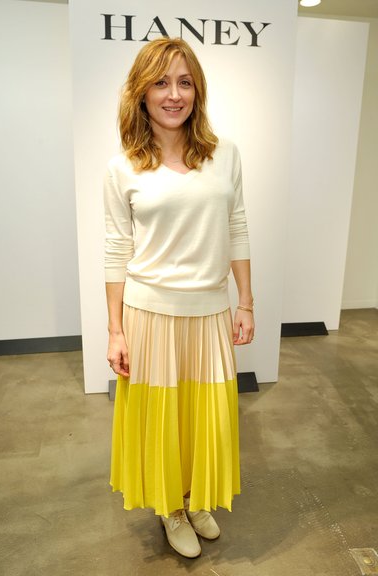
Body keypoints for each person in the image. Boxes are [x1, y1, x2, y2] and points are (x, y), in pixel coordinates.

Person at [104, 37, 254, 559]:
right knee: (163, 418)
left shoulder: (225, 154)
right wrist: (115, 330)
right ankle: (170, 507)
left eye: (185, 82)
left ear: (198, 91)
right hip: (150, 314)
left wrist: (246, 302)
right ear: (142, 93)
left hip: (210, 311)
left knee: (204, 415)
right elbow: (116, 249)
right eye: (162, 83)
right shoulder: (124, 167)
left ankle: (196, 497)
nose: (174, 94)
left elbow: (237, 227)